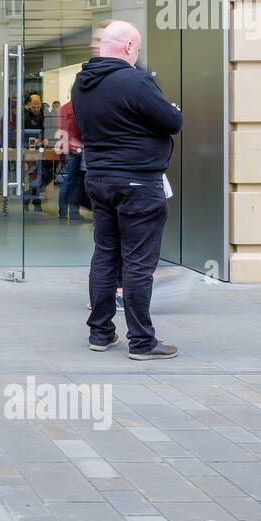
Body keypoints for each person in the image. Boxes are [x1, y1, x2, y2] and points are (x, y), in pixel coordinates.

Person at [72, 20, 183, 361]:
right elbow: (173, 122)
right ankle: (142, 341)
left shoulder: (82, 84)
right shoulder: (135, 80)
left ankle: (101, 333)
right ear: (130, 48)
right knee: (138, 263)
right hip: (137, 182)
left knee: (105, 256)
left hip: (100, 180)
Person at [58, 99, 87, 223]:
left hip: (68, 148)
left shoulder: (63, 108)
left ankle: (64, 213)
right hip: (76, 148)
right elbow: (76, 129)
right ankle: (73, 214)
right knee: (74, 182)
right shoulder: (78, 107)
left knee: (69, 182)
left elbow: (62, 131)